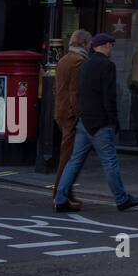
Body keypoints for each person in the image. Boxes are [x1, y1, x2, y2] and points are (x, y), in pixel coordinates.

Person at [54, 34, 138, 212]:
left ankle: (60, 197)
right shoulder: (107, 66)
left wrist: (80, 114)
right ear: (103, 46)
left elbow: (76, 92)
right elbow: (108, 96)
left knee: (74, 161)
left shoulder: (84, 64)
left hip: (84, 122)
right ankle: (121, 199)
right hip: (101, 123)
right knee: (110, 161)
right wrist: (113, 120)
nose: (111, 48)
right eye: (110, 45)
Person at [52, 29, 92, 210]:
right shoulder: (79, 62)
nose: (90, 46)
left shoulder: (63, 60)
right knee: (68, 157)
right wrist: (79, 114)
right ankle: (60, 195)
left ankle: (66, 193)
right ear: (84, 44)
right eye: (89, 43)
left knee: (70, 156)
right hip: (70, 115)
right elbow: (76, 92)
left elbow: (57, 88)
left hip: (61, 112)